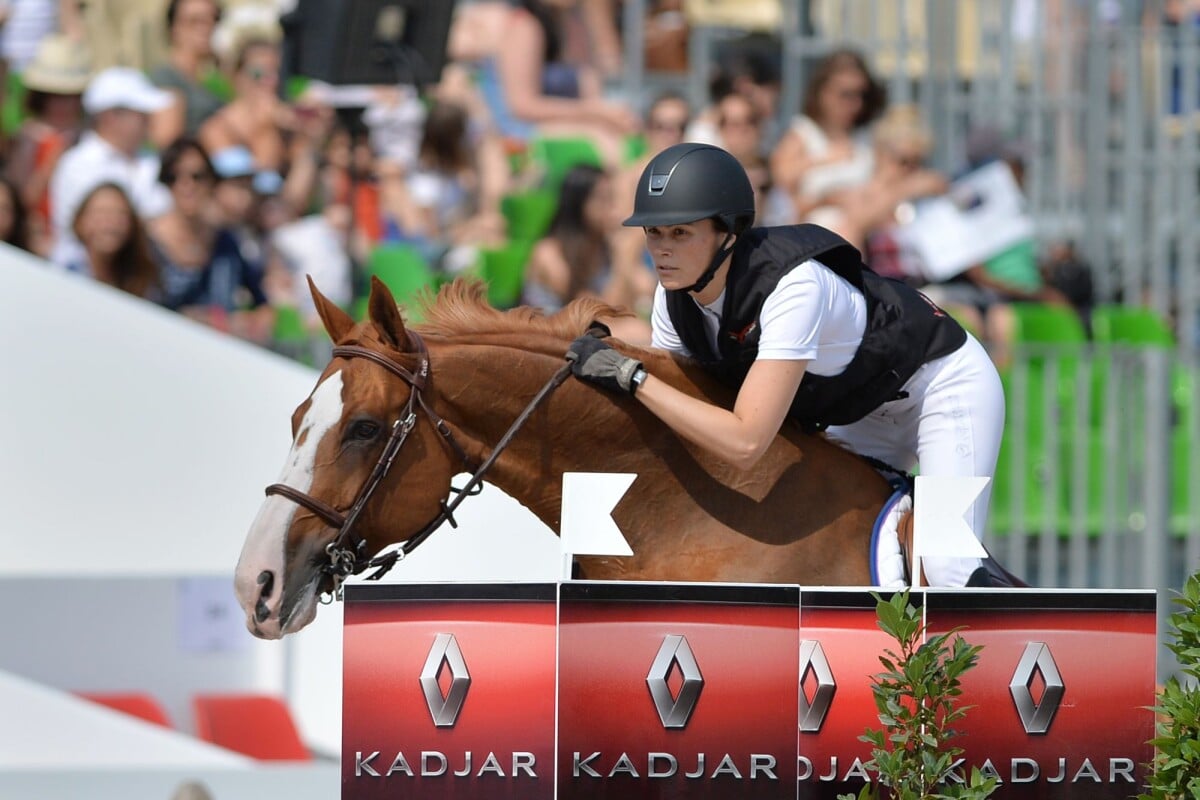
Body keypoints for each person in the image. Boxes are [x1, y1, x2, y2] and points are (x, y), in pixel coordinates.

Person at [565, 143, 1007, 588]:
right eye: (654, 234)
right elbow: (685, 415)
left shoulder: (793, 286)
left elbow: (745, 441)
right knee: (821, 532)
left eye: (680, 233)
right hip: (856, 413)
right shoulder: (672, 303)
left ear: (729, 233)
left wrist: (632, 376)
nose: (662, 250)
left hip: (941, 387)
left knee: (946, 563)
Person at [148, 136, 273, 342]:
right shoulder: (145, 242)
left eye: (197, 176)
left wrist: (239, 323)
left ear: (212, 181)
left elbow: (264, 307)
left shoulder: (226, 242)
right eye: (173, 176)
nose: (186, 185)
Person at [47, 66, 173, 267]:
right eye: (141, 113)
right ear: (110, 116)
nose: (149, 120)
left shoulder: (150, 160)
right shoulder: (78, 164)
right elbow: (98, 233)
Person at [768, 48, 886, 228]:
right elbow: (780, 200)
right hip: (814, 239)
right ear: (822, 92)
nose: (855, 104)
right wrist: (828, 196)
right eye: (845, 94)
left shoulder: (866, 139)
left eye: (861, 94)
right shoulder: (802, 134)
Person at [4, 32, 91, 256]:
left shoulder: (88, 136)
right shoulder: (28, 137)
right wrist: (53, 160)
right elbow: (22, 200)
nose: (64, 104)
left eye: (70, 96)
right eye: (56, 96)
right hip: (41, 240)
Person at [59, 181, 160, 299]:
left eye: (120, 215)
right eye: (101, 214)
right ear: (80, 221)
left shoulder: (143, 278)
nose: (110, 224)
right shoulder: (62, 270)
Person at [149, 0, 225, 149]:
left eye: (214, 19)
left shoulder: (212, 81)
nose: (207, 28)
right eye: (195, 21)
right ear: (174, 29)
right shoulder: (166, 79)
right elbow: (168, 144)